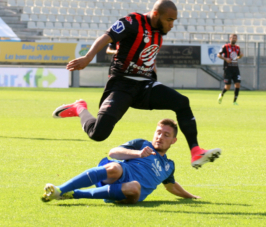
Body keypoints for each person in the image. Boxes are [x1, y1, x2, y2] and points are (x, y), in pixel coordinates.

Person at [51, 0, 221, 169]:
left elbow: (148, 57)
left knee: (182, 102)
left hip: (145, 86)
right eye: (169, 20)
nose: (172, 25)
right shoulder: (132, 22)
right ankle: (79, 108)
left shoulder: (158, 32)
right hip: (122, 85)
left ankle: (196, 151)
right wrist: (87, 58)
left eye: (174, 21)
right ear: (156, 15)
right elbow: (106, 37)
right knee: (98, 134)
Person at [42, 119, 207, 204]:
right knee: (114, 167)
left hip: (131, 192)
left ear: (174, 141)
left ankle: (74, 195)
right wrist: (138, 154)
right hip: (118, 174)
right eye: (158, 132)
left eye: (166, 135)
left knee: (134, 186)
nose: (160, 137)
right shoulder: (142, 144)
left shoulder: (169, 166)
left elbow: (171, 185)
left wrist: (191, 196)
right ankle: (60, 190)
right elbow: (113, 152)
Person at [217, 34, 243, 105]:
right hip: (227, 69)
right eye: (233, 38)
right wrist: (225, 59)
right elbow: (218, 54)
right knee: (228, 87)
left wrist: (240, 56)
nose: (234, 39)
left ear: (236, 39)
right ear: (230, 39)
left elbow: (237, 57)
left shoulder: (237, 48)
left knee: (237, 84)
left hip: (235, 69)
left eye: (235, 38)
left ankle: (234, 101)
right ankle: (221, 95)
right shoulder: (225, 46)